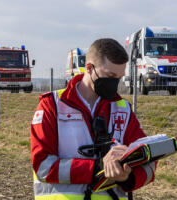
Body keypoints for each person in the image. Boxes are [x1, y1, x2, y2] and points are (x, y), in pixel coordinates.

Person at [30, 38, 156, 200]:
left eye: (118, 77)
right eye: (110, 76)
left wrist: (127, 177)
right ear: (89, 68)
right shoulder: (52, 105)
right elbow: (43, 167)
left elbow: (148, 163)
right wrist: (99, 167)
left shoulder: (122, 109)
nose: (114, 83)